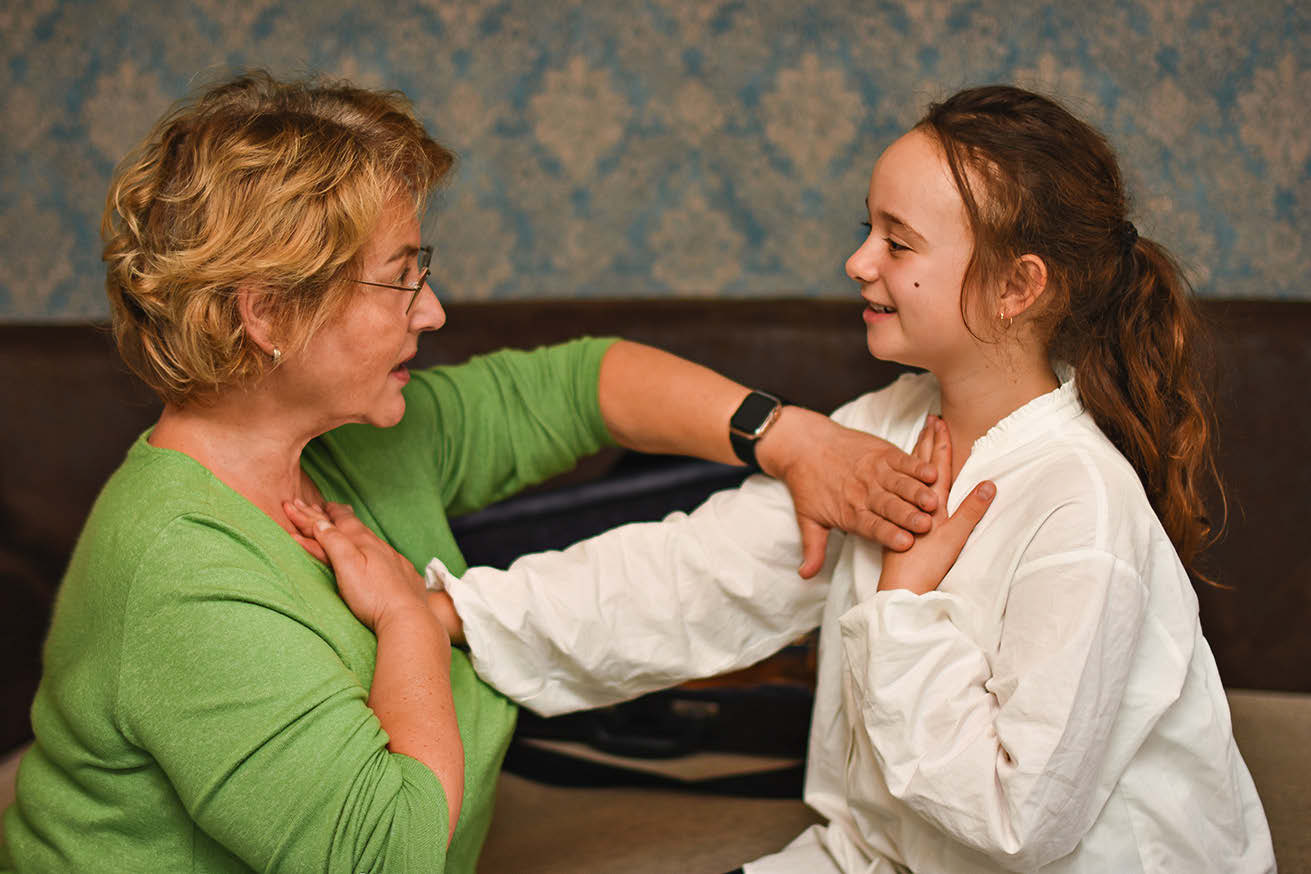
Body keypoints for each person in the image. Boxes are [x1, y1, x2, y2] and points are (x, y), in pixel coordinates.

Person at [294, 86, 1276, 872]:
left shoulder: (1080, 509)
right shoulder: (884, 431)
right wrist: (450, 612)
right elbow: (697, 573)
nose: (858, 261)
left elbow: (1020, 823)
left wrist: (901, 605)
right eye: (868, 229)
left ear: (1019, 286)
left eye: (898, 243)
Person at [0, 72, 944, 874]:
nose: (434, 311)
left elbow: (586, 382)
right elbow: (388, 853)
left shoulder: (354, 438)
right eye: (401, 276)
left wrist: (784, 436)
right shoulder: (183, 575)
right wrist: (410, 623)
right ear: (268, 314)